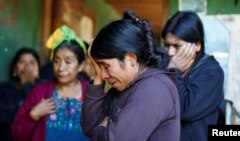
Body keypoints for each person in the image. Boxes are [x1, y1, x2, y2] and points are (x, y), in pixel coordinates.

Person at [82, 10, 180, 141]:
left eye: (105, 66)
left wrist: (102, 129)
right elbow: (89, 127)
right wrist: (98, 76)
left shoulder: (155, 88)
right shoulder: (122, 88)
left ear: (131, 59)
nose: (104, 75)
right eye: (99, 67)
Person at [11, 25, 89, 141]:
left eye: (68, 62)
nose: (61, 67)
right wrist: (33, 115)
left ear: (81, 65)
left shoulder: (92, 93)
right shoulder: (39, 92)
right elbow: (16, 134)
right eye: (56, 61)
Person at [161, 10, 224, 141]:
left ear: (197, 45)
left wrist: (174, 71)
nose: (171, 52)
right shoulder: (164, 64)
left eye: (177, 46)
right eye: (167, 45)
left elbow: (186, 110)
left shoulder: (211, 72)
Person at [0, 47, 40, 141]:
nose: (27, 67)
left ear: (38, 71)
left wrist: (27, 85)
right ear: (15, 69)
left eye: (32, 63)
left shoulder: (45, 90)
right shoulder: (4, 89)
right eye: (22, 62)